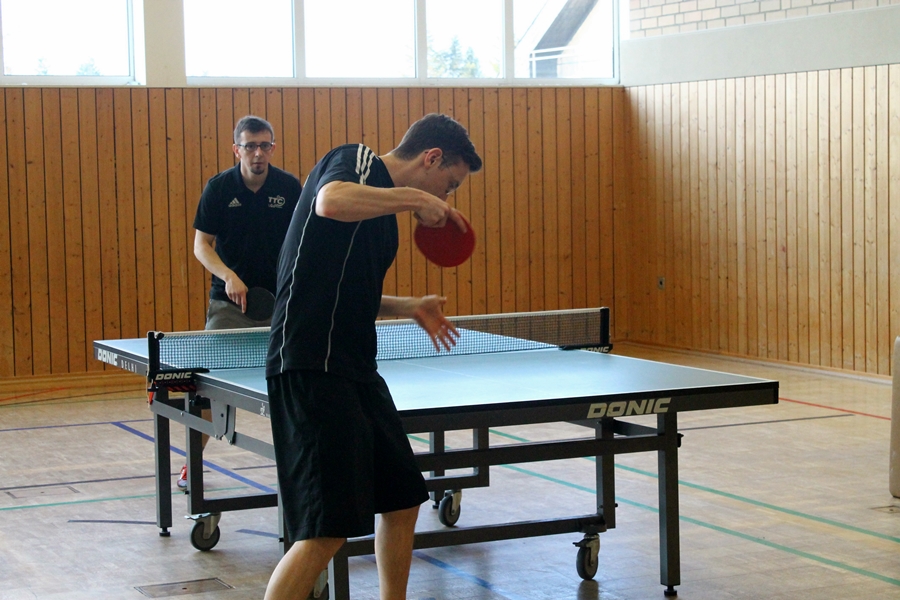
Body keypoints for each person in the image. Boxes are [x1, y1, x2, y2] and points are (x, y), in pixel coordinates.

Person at [264, 113, 482, 600]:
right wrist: (417, 199)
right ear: (431, 158)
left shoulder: (383, 222)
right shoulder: (358, 161)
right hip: (311, 363)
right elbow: (329, 200)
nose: (445, 200)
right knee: (325, 531)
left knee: (403, 499)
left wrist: (409, 307)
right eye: (448, 186)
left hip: (356, 367)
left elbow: (341, 286)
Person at [182, 115, 302, 489]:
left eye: (265, 145)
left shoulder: (288, 187)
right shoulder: (219, 188)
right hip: (229, 306)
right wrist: (228, 276)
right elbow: (202, 245)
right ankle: (192, 464)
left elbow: (302, 239)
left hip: (279, 307)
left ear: (272, 148)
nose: (258, 153)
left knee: (292, 388)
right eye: (250, 146)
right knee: (208, 389)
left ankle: (299, 463)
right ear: (237, 150)